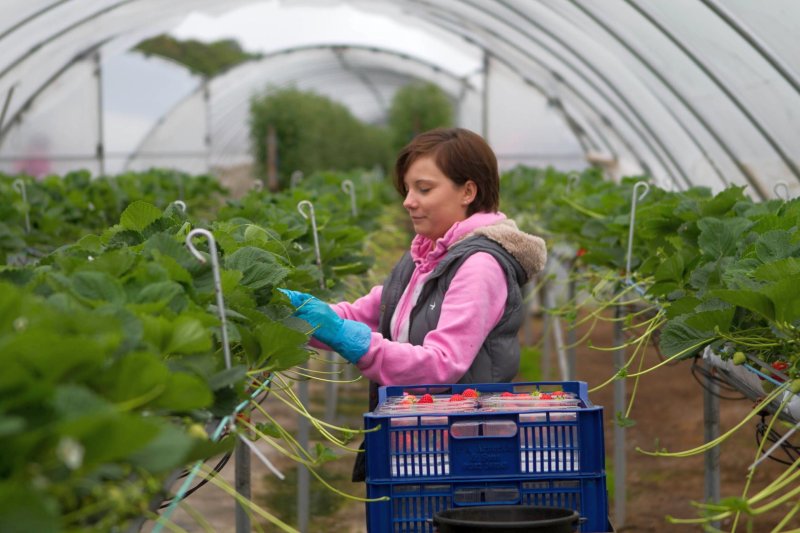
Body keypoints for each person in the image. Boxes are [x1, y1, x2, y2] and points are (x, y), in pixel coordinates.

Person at [280, 127, 546, 479]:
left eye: (424, 189)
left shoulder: (479, 266)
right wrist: (290, 317)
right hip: (422, 439)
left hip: (465, 450)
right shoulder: (425, 257)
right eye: (407, 189)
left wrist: (355, 342)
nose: (408, 200)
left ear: (468, 191)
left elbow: (443, 365)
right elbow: (368, 312)